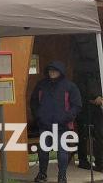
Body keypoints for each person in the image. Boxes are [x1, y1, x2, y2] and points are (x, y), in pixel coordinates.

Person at [31, 61, 82, 182]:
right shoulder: (41, 85)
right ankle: (42, 174)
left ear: (61, 72)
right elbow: (33, 102)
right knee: (43, 151)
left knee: (62, 152)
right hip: (45, 124)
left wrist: (67, 118)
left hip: (63, 126)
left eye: (55, 70)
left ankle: (62, 176)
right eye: (50, 70)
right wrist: (39, 116)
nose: (52, 72)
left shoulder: (70, 86)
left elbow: (77, 105)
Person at [70, 34, 103, 170]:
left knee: (87, 132)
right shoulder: (92, 59)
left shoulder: (81, 61)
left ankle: (87, 160)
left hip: (87, 99)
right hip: (90, 100)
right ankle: (96, 162)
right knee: (93, 132)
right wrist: (95, 96)